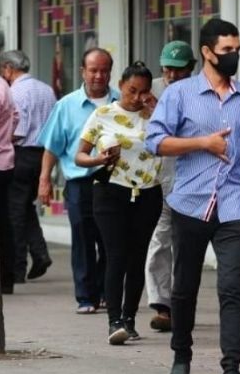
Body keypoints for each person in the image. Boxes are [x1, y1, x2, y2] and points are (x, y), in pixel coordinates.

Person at [146, 19, 240, 374]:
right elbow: (155, 142)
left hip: (233, 206)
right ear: (207, 52)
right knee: (184, 289)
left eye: (238, 50)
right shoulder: (179, 94)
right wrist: (203, 143)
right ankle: (181, 357)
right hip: (190, 203)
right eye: (227, 50)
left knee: (232, 290)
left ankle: (232, 371)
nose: (234, 57)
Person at [76, 63, 163, 345]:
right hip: (111, 192)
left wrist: (157, 110)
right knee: (116, 255)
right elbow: (79, 156)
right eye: (131, 91)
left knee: (138, 258)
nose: (137, 98)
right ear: (121, 86)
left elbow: (175, 139)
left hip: (148, 192)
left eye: (143, 92)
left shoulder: (156, 115)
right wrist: (98, 160)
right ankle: (114, 320)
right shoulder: (103, 114)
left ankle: (129, 318)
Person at [38, 48, 119, 314]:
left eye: (104, 70)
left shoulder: (122, 102)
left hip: (115, 181)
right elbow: (52, 146)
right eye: (93, 70)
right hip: (80, 182)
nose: (98, 75)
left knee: (111, 238)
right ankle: (86, 296)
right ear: (83, 71)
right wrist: (45, 180)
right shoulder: (67, 105)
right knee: (83, 237)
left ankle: (107, 292)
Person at [143, 43, 196, 332]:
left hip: (192, 181)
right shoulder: (149, 90)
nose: (172, 75)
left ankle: (183, 302)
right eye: (167, 69)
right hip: (158, 179)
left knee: (187, 246)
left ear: (192, 67)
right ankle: (162, 305)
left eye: (179, 69)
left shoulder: (201, 93)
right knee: (159, 240)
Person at [0, 50, 56, 284]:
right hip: (43, 155)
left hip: (22, 154)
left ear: (8, 69)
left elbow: (18, 131)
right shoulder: (47, 89)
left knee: (14, 211)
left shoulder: (15, 92)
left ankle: (17, 267)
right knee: (25, 207)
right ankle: (40, 253)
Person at [0, 75, 19, 294]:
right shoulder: (4, 85)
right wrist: (5, 138)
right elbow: (16, 116)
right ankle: (7, 276)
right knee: (4, 221)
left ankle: (3, 276)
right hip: (4, 159)